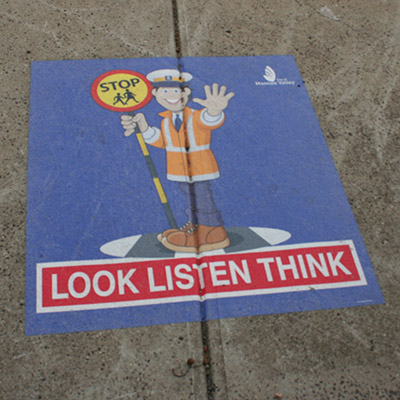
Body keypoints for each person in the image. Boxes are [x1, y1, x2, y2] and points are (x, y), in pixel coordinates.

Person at [121, 69, 234, 253]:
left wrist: (214, 111)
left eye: (177, 90)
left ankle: (213, 231)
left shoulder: (196, 115)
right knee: (190, 197)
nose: (173, 95)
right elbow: (163, 141)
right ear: (155, 93)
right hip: (178, 170)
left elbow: (208, 121)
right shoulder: (166, 120)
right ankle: (196, 224)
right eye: (166, 91)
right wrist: (144, 127)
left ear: (186, 92)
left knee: (201, 196)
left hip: (200, 167)